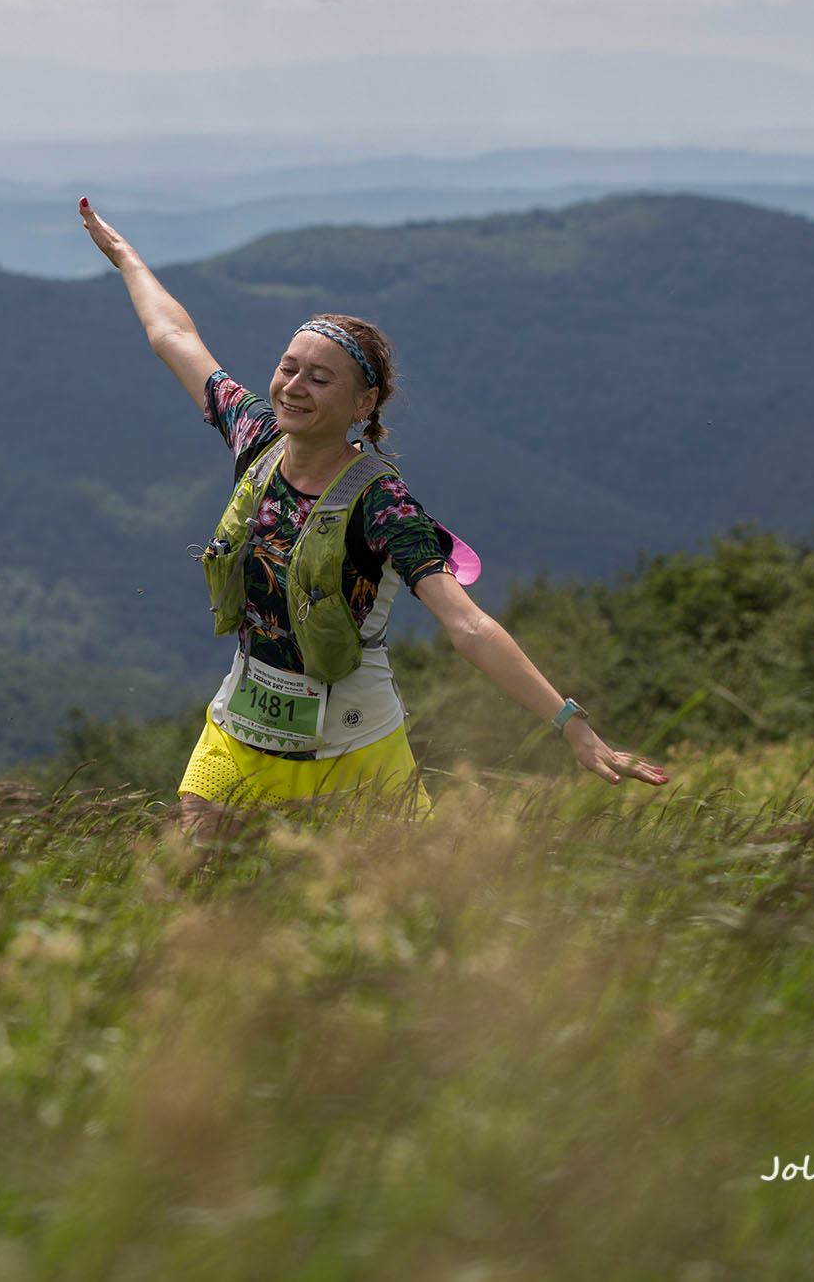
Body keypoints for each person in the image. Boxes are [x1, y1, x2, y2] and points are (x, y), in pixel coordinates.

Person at [79, 196, 668, 829]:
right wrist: (126, 258)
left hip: (353, 752)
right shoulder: (256, 438)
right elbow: (174, 338)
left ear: (365, 403)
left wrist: (571, 726)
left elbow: (467, 627)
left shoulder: (384, 505)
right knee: (189, 883)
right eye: (288, 368)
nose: (294, 387)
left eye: (319, 379)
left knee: (377, 911)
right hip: (237, 733)